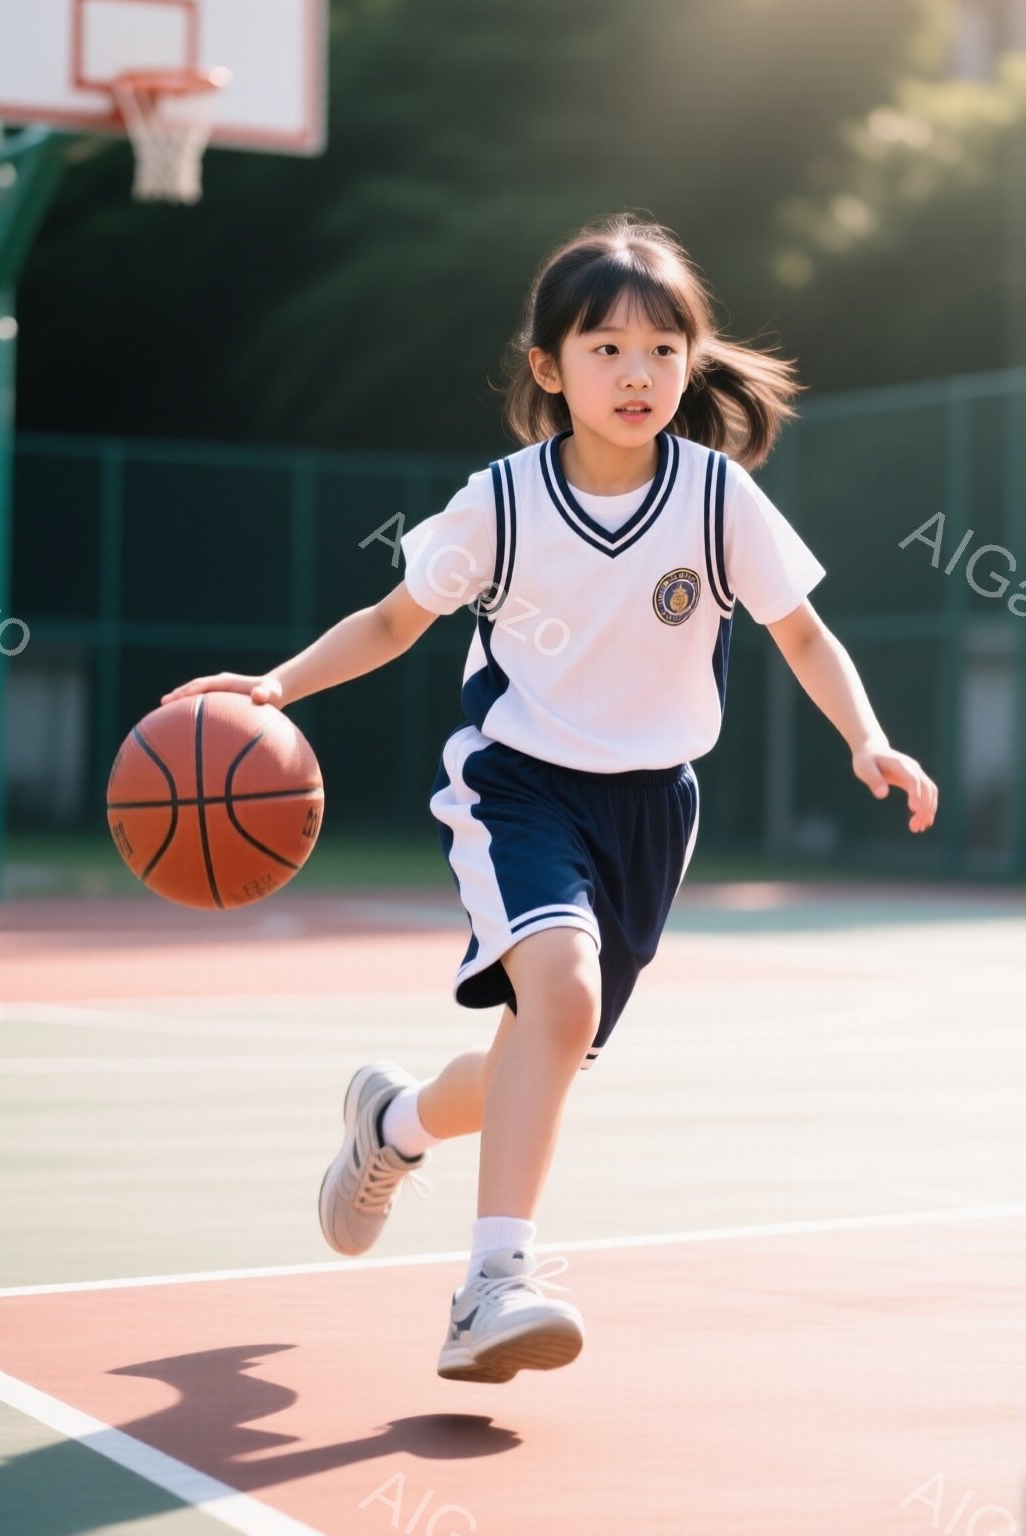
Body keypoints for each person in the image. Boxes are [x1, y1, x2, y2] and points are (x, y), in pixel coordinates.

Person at [161, 214, 938, 1384]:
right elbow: (392, 621)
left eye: (664, 349)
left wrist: (870, 738)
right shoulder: (504, 502)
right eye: (606, 349)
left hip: (651, 808)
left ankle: (397, 1123)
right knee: (562, 994)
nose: (638, 374)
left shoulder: (716, 496)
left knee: (547, 1043)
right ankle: (493, 1286)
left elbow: (805, 634)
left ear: (692, 360)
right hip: (519, 783)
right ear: (548, 368)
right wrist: (277, 684)